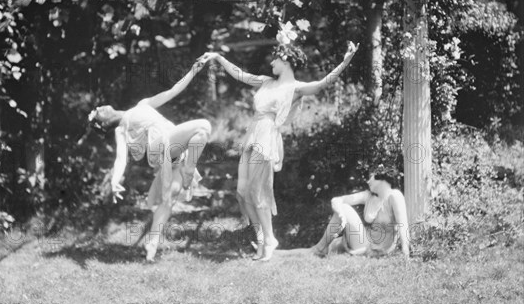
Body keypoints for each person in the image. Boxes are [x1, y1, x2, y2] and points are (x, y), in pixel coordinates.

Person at [200, 39, 358, 261]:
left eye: (275, 58)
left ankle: (269, 239)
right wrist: (218, 57)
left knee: (257, 191)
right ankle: (263, 238)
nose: (271, 62)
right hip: (252, 133)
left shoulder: (296, 88)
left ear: (285, 60)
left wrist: (346, 60)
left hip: (266, 136)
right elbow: (240, 74)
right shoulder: (266, 81)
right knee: (242, 192)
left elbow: (323, 83)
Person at [88, 59, 212, 261]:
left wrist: (192, 71)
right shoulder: (121, 129)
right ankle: (189, 170)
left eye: (98, 107)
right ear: (104, 124)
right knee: (204, 126)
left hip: (174, 153)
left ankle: (152, 243)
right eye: (98, 114)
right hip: (159, 148)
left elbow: (172, 91)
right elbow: (121, 159)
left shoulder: (142, 105)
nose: (99, 107)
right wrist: (114, 180)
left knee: (169, 198)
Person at [279, 171, 410, 258]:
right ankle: (317, 249)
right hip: (364, 242)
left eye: (370, 177)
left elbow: (403, 225)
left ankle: (319, 249)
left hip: (376, 249)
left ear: (381, 179)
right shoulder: (368, 196)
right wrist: (340, 212)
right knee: (343, 210)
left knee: (344, 212)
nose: (368, 181)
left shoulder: (394, 195)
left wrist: (406, 252)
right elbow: (337, 199)